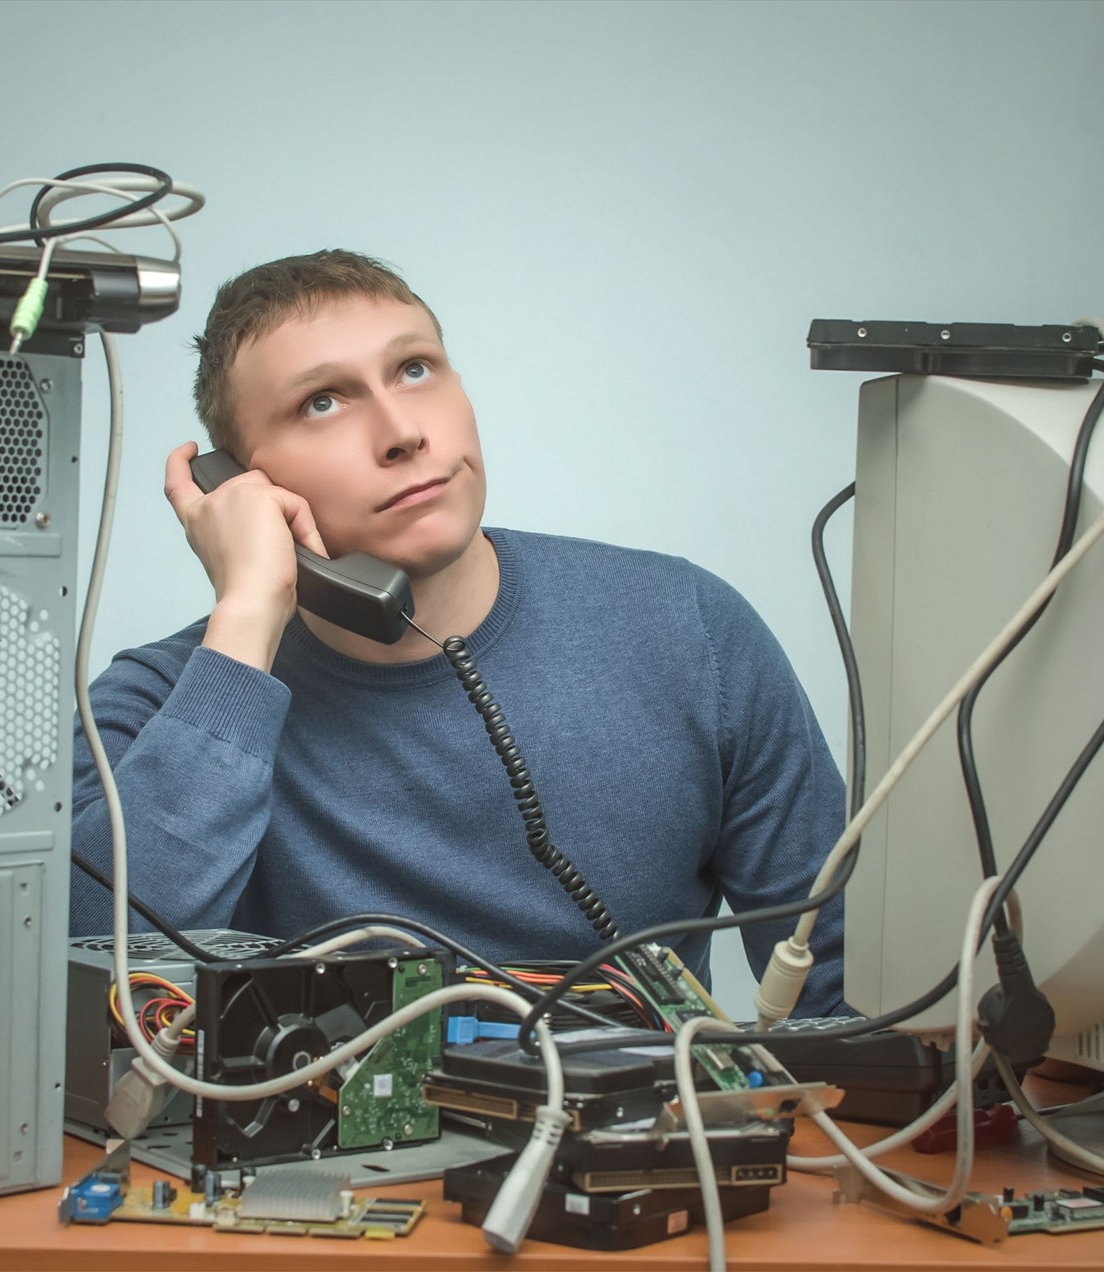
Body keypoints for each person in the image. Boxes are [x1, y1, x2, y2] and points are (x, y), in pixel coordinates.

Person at [70, 250, 848, 1015]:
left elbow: (856, 992)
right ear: (241, 484)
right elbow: (82, 988)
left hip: (639, 1137)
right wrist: (243, 622)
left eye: (414, 369)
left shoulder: (690, 629)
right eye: (322, 402)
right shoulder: (168, 704)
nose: (404, 431)